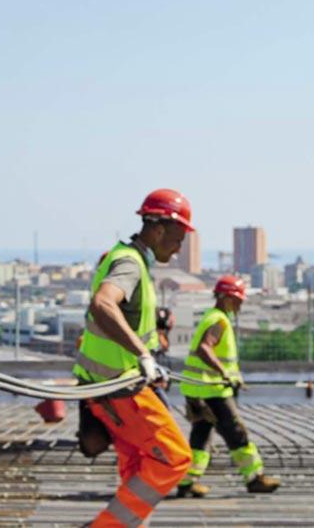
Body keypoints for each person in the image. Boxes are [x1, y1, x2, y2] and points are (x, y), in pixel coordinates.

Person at [73, 189, 195, 527]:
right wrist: (143, 354)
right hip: (121, 387)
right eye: (178, 236)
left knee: (139, 465)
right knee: (173, 458)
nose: (180, 246)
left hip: (108, 385)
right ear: (158, 228)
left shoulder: (129, 258)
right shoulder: (129, 262)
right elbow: (104, 304)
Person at [176, 275, 281, 497]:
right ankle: (254, 478)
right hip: (212, 391)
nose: (241, 305)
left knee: (200, 438)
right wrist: (224, 373)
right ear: (226, 298)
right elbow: (206, 348)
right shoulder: (219, 321)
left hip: (198, 391)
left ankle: (187, 482)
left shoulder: (211, 316)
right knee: (236, 433)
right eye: (238, 300)